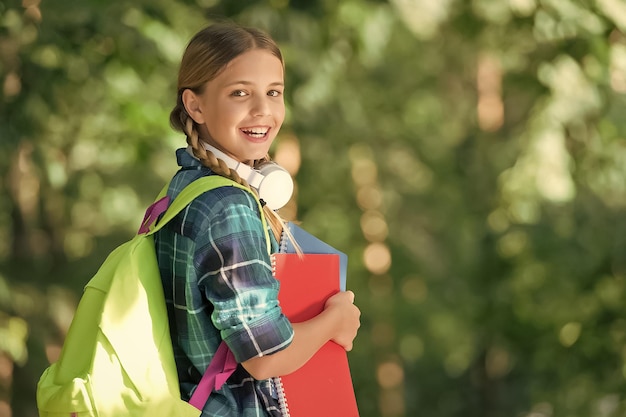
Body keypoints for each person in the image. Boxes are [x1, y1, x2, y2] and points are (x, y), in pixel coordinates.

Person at [155, 22, 361, 416]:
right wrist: (334, 323)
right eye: (240, 93)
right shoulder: (229, 207)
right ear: (195, 105)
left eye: (273, 93)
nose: (263, 110)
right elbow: (265, 355)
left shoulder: (185, 186)